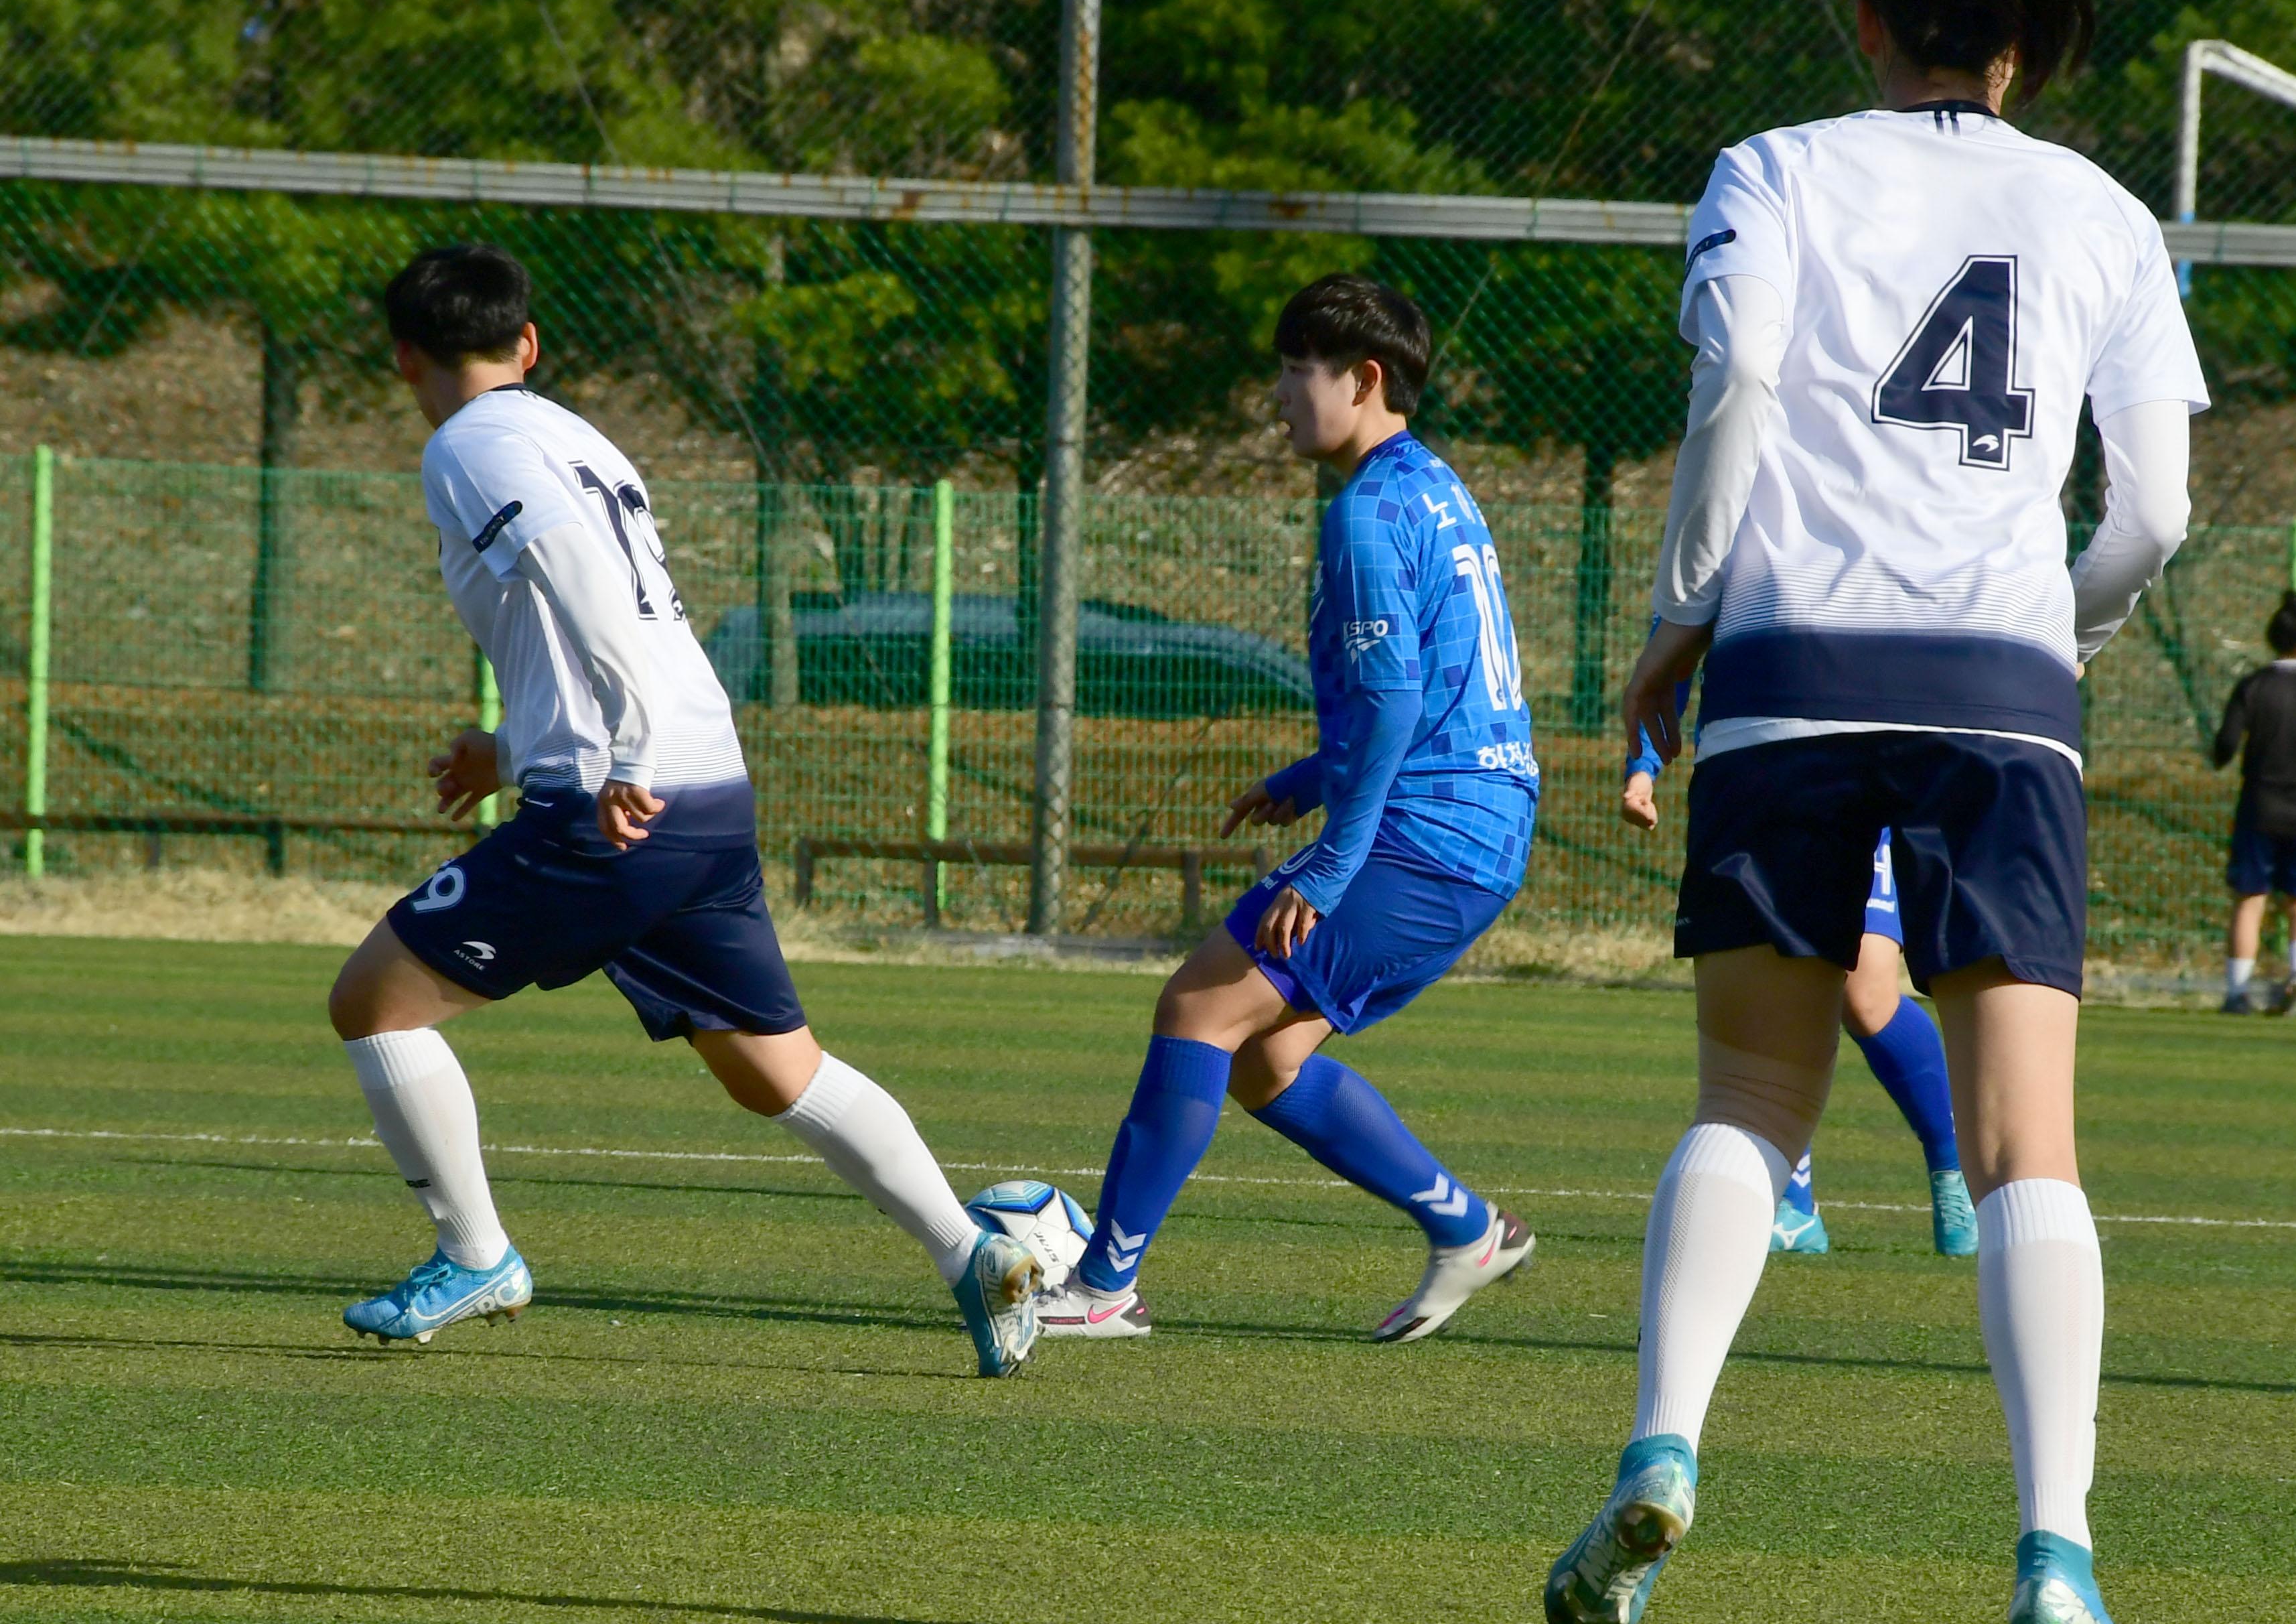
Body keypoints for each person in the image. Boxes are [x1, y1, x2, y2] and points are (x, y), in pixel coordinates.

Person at [1543, 0, 2204, 1621]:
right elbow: (2160, 509)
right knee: (2023, 1141)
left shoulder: (1769, 167)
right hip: (2002, 686)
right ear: (2039, 41)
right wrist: (2062, 634)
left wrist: (1676, 622)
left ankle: (1661, 1450)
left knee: (1753, 1094)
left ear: (1861, 16)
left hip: (1791, 673)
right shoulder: (2106, 213)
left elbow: (1744, 375)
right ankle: (2057, 1553)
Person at [326, 243, 1041, 1376]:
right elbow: (609, 627)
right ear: (527, 343)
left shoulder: (466, 443)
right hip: (706, 791)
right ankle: (972, 1257)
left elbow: (584, 585)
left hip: (625, 803)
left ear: (404, 354)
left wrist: (623, 755)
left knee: (374, 1002)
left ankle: (476, 1255)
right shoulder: (577, 436)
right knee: (775, 1070)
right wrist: (514, 747)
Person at [1032, 274, 1540, 1343]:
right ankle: (1467, 1229)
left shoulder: (1364, 515)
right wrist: (1308, 781)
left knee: (1197, 1009)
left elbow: (1398, 702)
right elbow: (1432, 692)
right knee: (1266, 1061)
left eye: (1294, 372)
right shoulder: (1435, 487)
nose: (1277, 396)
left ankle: (1102, 1285)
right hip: (1478, 830)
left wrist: (1327, 865)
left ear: (1362, 380)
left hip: (1428, 836)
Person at [1626, 710, 1975, 1258]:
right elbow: (1669, 651)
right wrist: (1642, 766)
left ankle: (1953, 1166)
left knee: (1865, 993)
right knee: (1767, 988)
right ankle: (1793, 1206)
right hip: (1749, 779)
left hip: (1860, 772)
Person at [2213, 591, 2296, 1016]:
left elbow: (2226, 745)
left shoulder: (2254, 687)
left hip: (2260, 806)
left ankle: (2237, 992)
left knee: (2250, 898)